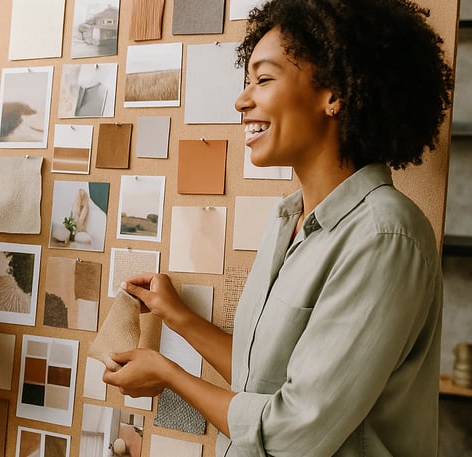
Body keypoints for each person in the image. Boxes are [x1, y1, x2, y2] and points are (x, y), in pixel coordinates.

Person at [102, 0, 453, 455]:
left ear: (335, 93)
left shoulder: (385, 238)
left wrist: (169, 374)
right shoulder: (287, 220)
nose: (241, 100)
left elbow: (291, 435)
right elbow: (261, 378)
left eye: (263, 79)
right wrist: (179, 316)